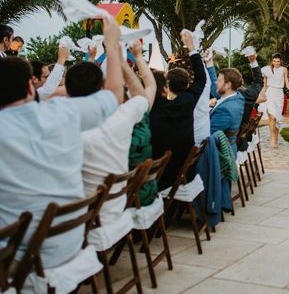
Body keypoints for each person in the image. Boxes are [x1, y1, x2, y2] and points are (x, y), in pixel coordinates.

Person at [0, 16, 123, 268]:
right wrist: (112, 45)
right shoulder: (64, 112)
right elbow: (114, 95)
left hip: (22, 253)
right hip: (71, 239)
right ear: (31, 87)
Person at [66, 40, 156, 224]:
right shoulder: (127, 118)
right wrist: (127, 61)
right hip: (123, 200)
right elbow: (146, 90)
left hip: (90, 216)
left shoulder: (71, 134)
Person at [150, 30, 206, 190]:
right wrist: (191, 47)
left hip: (163, 177)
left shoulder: (155, 110)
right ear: (187, 85)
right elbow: (202, 78)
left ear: (166, 87)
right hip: (186, 172)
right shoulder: (188, 101)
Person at [261, 53, 289, 148]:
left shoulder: (284, 70)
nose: (276, 63)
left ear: (280, 61)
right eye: (274, 61)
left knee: (278, 118)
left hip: (279, 94)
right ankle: (272, 139)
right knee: (272, 117)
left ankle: (276, 137)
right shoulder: (268, 69)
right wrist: (263, 93)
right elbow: (265, 84)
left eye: (278, 61)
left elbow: (286, 82)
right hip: (270, 93)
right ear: (272, 61)